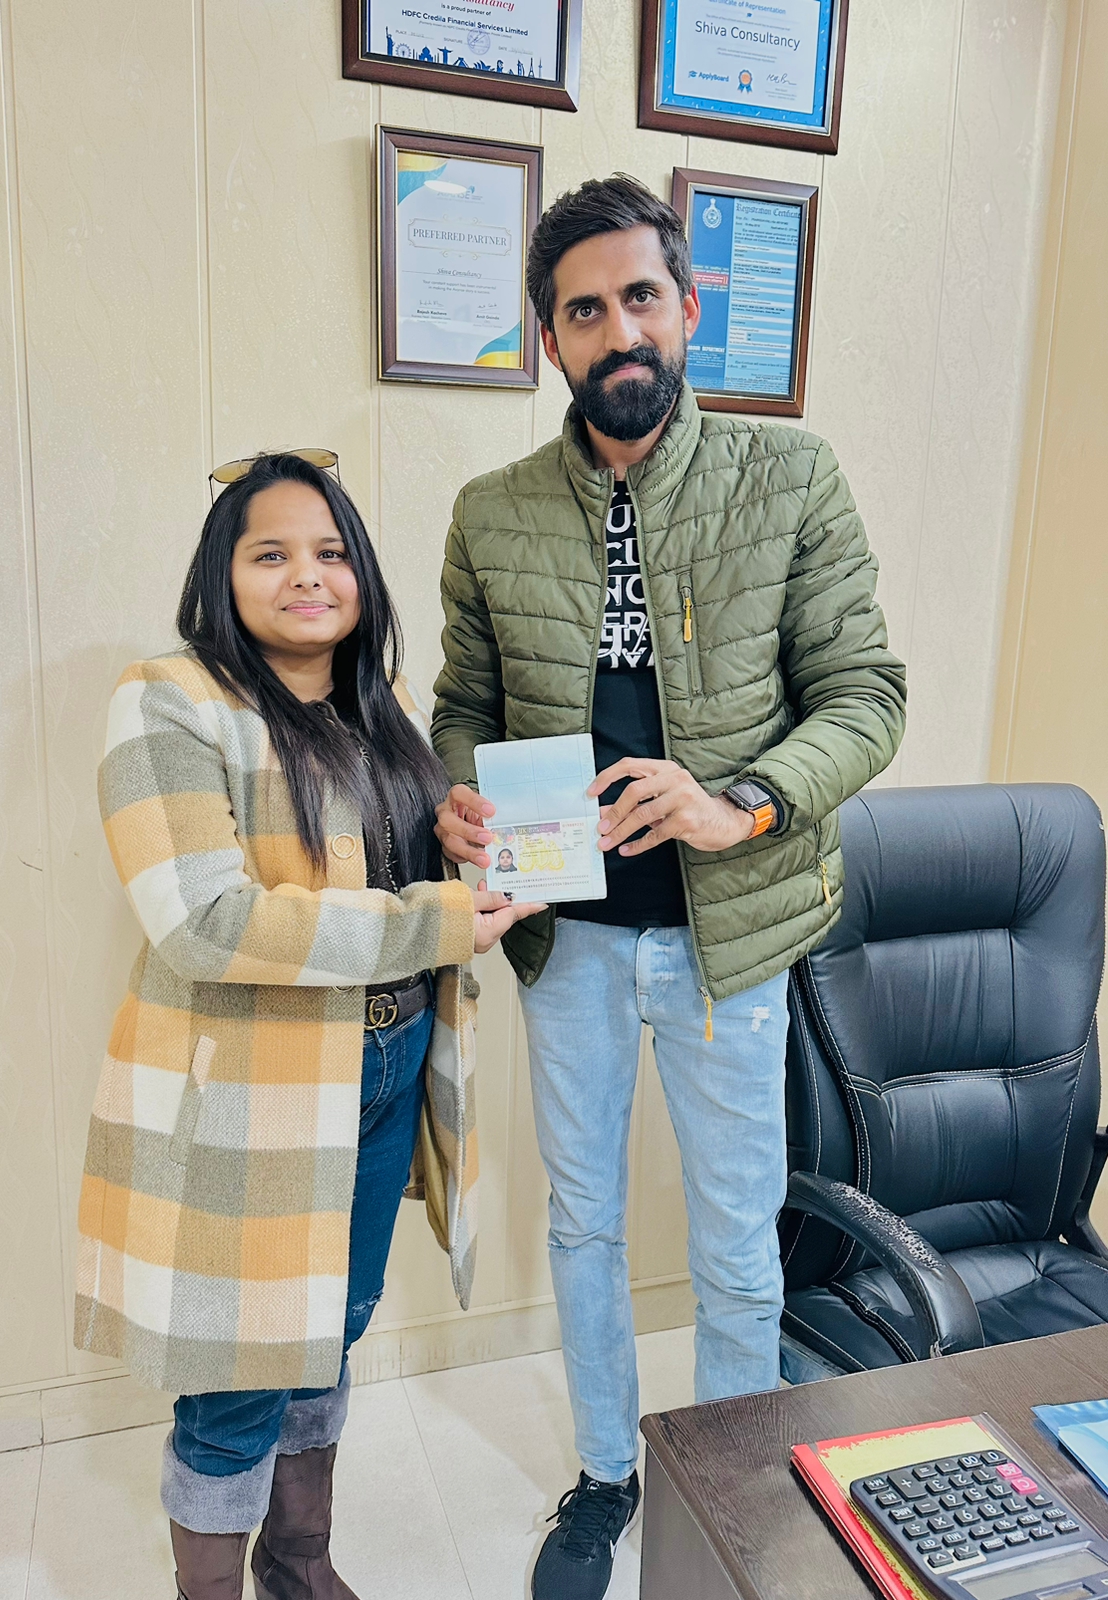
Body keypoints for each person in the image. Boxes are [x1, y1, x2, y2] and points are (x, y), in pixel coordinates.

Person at [432, 175, 907, 1600]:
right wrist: (455, 791)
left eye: (641, 295)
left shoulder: (791, 478)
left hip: (728, 939)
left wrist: (737, 800)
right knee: (581, 1224)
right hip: (566, 938)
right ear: (550, 338)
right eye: (584, 310)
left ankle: (735, 1484)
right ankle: (606, 1473)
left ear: (688, 307)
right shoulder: (491, 511)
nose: (618, 328)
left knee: (735, 1238)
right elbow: (463, 704)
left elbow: (866, 695)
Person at [74, 452, 543, 1600]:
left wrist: (459, 831)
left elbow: (378, 866)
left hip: (387, 1066)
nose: (307, 575)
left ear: (361, 574)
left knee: (330, 1331)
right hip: (252, 1095)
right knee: (238, 1376)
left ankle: (298, 1563)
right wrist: (439, 916)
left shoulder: (381, 709)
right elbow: (205, 920)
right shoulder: (168, 699)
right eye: (271, 552)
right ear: (222, 573)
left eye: (330, 551)